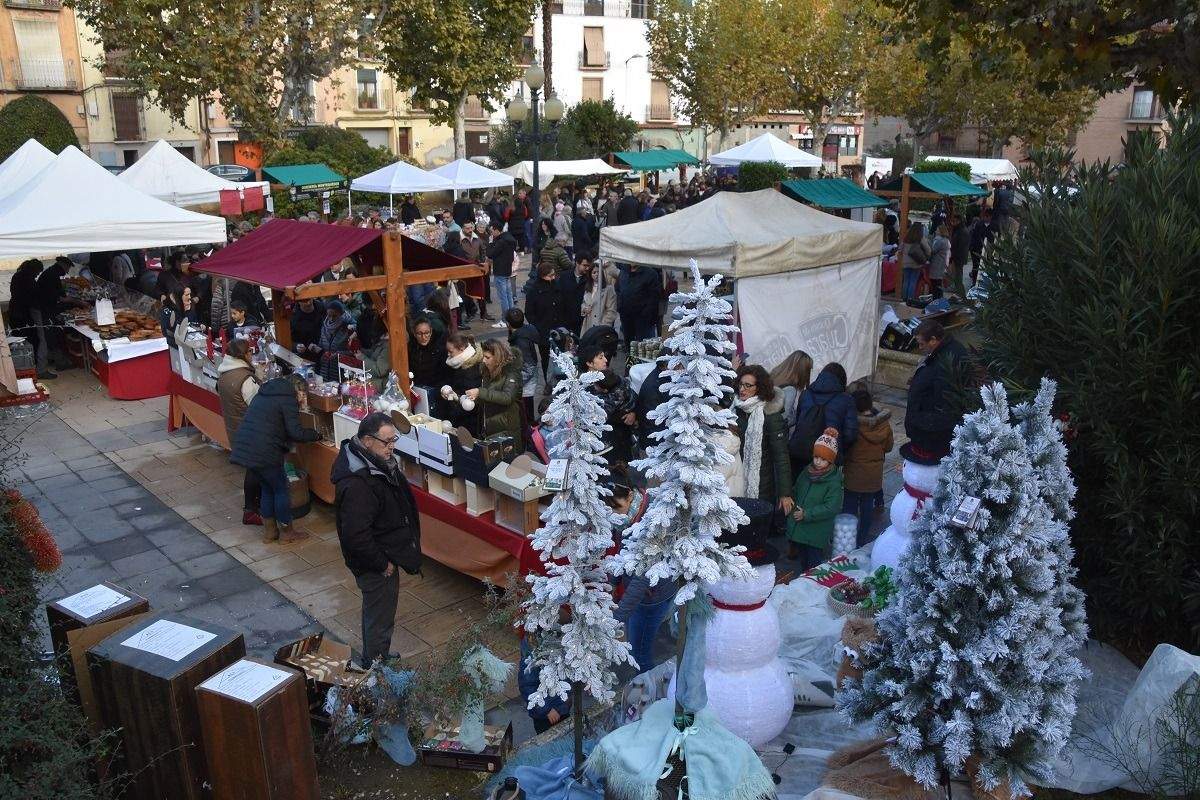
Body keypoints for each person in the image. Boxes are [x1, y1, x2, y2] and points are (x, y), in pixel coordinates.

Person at [331, 412, 422, 668]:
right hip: (375, 563)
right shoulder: (358, 483)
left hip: (382, 553)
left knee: (378, 613)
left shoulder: (374, 461)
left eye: (394, 440)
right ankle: (376, 665)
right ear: (367, 441)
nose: (391, 447)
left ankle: (377, 654)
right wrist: (383, 564)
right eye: (386, 442)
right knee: (379, 615)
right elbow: (355, 536)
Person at [230, 374, 320, 544]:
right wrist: (316, 435)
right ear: (298, 390)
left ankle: (270, 532)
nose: (303, 397)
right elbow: (296, 432)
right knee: (280, 489)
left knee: (266, 488)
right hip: (265, 451)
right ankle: (287, 532)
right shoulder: (287, 399)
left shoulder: (265, 393)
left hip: (247, 447)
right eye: (303, 393)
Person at [605, 477, 675, 671]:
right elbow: (622, 550)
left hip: (652, 596)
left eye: (616, 508)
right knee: (637, 644)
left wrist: (617, 618)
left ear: (629, 496)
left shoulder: (651, 522)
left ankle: (648, 694)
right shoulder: (629, 517)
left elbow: (641, 578)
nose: (613, 515)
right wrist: (612, 582)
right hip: (640, 593)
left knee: (639, 652)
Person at [905, 319, 970, 463]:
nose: (920, 347)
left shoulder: (948, 358)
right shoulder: (945, 352)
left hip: (934, 432)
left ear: (933, 340)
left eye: (922, 343)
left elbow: (944, 396)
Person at [732, 364, 794, 515]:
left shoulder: (770, 415)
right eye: (741, 384)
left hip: (761, 486)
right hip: (735, 482)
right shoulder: (735, 409)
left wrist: (785, 493)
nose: (742, 389)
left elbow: (781, 456)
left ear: (759, 388)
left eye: (748, 385)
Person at [216, 339, 263, 526]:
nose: (252, 355)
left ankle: (252, 507)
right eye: (250, 352)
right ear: (243, 355)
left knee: (252, 469)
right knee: (255, 470)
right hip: (251, 430)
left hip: (237, 429)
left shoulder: (225, 374)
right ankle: (251, 510)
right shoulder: (244, 379)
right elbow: (258, 404)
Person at [841, 388, 893, 545]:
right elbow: (889, 447)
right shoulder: (883, 425)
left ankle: (845, 539)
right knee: (867, 507)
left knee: (849, 506)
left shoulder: (852, 425)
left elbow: (845, 446)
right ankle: (861, 540)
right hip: (873, 475)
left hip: (854, 473)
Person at [786, 428, 845, 568]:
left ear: (830, 461)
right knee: (803, 560)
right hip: (800, 527)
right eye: (816, 457)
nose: (818, 462)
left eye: (823, 459)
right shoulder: (807, 472)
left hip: (816, 531)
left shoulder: (833, 482)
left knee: (813, 563)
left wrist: (807, 514)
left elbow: (831, 507)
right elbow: (797, 489)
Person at [580, 345, 637, 465]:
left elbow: (631, 395)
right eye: (600, 358)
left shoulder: (612, 377)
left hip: (621, 435)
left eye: (604, 356)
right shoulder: (584, 388)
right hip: (603, 441)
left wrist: (633, 412)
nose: (606, 360)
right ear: (589, 363)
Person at [463, 339, 522, 440]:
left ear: (497, 358)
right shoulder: (487, 371)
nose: (484, 360)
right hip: (489, 427)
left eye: (487, 357)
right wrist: (464, 398)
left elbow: (507, 397)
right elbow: (488, 397)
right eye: (483, 357)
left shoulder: (512, 373)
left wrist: (480, 392)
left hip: (505, 429)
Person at [525, 263, 568, 373]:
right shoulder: (534, 290)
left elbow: (563, 306)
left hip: (559, 329)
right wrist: (539, 327)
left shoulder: (557, 286)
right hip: (543, 332)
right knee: (546, 358)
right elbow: (529, 312)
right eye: (550, 275)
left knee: (560, 357)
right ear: (542, 276)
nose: (553, 277)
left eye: (554, 275)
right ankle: (547, 382)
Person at [505, 307, 541, 425]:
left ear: (508, 324)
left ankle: (530, 437)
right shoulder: (527, 332)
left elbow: (528, 367)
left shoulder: (520, 341)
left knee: (526, 416)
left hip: (525, 385)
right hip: (527, 382)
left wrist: (516, 383)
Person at [770, 350, 814, 440]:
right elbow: (782, 420)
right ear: (803, 371)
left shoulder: (773, 379)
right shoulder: (790, 390)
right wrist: (795, 417)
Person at [443, 332, 483, 430]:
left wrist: (455, 397)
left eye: (451, 351)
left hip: (467, 419)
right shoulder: (458, 363)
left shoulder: (470, 370)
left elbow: (469, 398)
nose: (448, 354)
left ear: (461, 349)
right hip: (460, 412)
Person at [616, 263, 660, 348]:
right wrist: (620, 306)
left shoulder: (650, 273)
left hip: (643, 320)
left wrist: (646, 313)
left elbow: (654, 297)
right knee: (629, 346)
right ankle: (630, 360)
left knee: (644, 346)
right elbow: (618, 288)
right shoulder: (624, 271)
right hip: (626, 317)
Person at [317, 299, 355, 381]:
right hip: (325, 372)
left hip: (341, 374)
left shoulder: (348, 328)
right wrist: (317, 349)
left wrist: (338, 354)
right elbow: (321, 346)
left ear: (341, 314)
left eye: (334, 316)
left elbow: (354, 352)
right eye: (328, 315)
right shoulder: (324, 326)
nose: (330, 319)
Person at [486, 219, 517, 315]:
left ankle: (505, 319)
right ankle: (512, 316)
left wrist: (491, 242)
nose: (491, 233)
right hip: (508, 270)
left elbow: (490, 254)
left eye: (491, 231)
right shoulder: (509, 238)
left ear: (496, 230)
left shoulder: (501, 241)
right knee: (509, 295)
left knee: (503, 297)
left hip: (500, 271)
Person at [408, 318, 448, 389]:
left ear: (431, 332)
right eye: (419, 334)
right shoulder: (410, 348)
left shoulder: (440, 349)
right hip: (415, 387)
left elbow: (445, 374)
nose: (423, 337)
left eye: (426, 333)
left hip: (436, 388)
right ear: (414, 334)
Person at [582, 263, 619, 331]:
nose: (596, 274)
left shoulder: (609, 289)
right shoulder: (588, 288)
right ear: (590, 275)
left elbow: (611, 310)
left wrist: (604, 325)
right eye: (594, 272)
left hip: (601, 325)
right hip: (588, 324)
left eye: (598, 272)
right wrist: (584, 309)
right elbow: (584, 303)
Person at [902, 222, 930, 302]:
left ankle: (904, 298)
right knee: (913, 281)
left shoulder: (906, 237)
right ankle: (910, 299)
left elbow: (900, 248)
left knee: (906, 281)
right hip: (916, 263)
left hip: (905, 263)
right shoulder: (920, 238)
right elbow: (928, 250)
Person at [969, 208, 995, 285]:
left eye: (988, 216)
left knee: (986, 268)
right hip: (977, 250)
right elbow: (974, 237)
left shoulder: (994, 226)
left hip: (988, 251)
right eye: (985, 216)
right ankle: (974, 282)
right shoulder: (979, 224)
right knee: (976, 267)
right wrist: (972, 248)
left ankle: (984, 283)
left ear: (991, 216)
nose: (986, 218)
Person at [949, 213, 971, 296]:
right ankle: (957, 288)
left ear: (958, 221)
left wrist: (953, 256)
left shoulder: (961, 231)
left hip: (959, 256)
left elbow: (959, 246)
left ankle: (959, 291)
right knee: (957, 273)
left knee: (958, 274)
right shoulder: (960, 230)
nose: (952, 223)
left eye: (954, 221)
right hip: (959, 256)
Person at [929, 224, 951, 299]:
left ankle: (937, 299)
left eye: (937, 229)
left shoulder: (939, 240)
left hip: (937, 263)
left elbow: (933, 250)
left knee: (935, 283)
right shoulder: (946, 240)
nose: (936, 231)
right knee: (938, 282)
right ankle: (939, 298)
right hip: (941, 263)